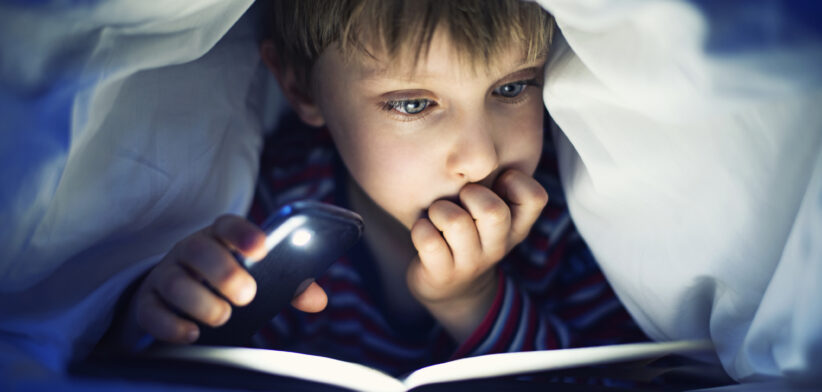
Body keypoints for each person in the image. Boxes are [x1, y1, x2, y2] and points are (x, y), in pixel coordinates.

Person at [108, 0, 644, 376]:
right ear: (300, 86)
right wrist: (167, 314)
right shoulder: (274, 203)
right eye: (412, 104)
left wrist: (471, 303)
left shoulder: (564, 215)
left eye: (511, 87)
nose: (480, 157)